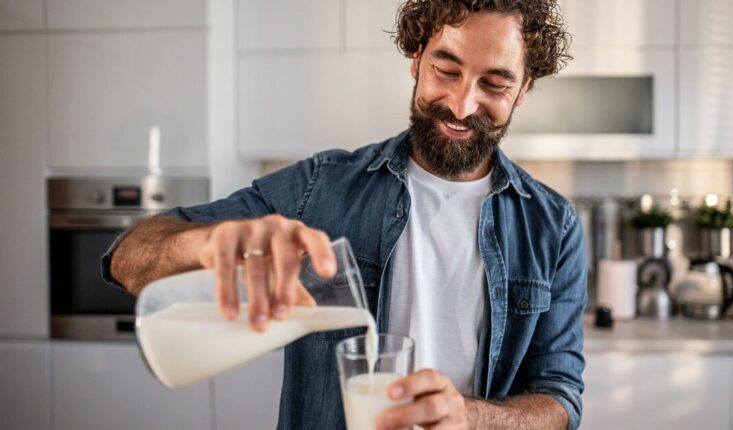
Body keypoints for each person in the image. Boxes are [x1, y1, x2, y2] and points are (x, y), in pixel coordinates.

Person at [102, 1, 587, 429]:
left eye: (494, 83)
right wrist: (204, 245)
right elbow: (126, 258)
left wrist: (471, 417)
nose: (462, 104)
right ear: (416, 59)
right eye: (446, 70)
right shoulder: (321, 186)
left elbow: (560, 396)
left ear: (524, 89)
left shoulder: (553, 225)